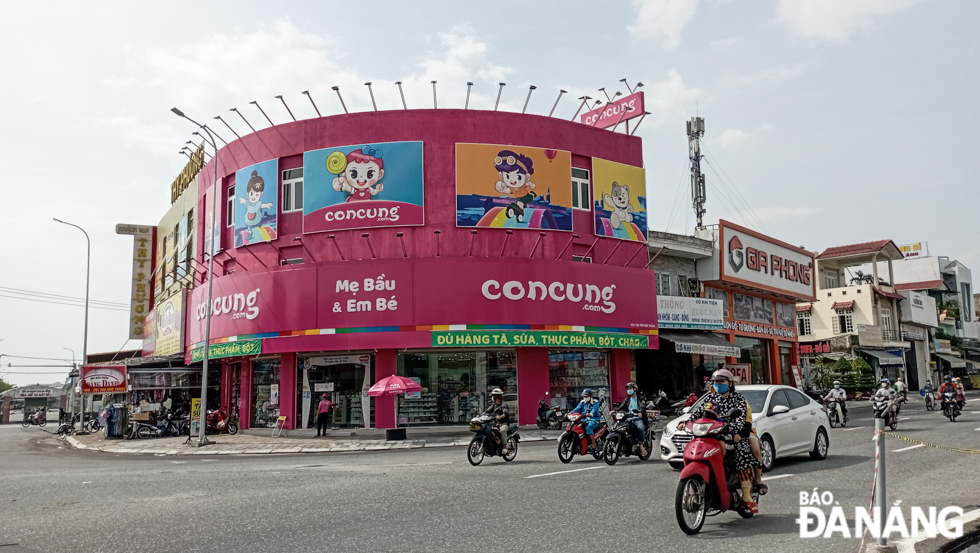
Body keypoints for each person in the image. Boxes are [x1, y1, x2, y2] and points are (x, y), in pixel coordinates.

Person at [679, 369, 758, 514]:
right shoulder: (711, 398)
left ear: (730, 383)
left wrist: (731, 428)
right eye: (715, 382)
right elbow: (698, 413)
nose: (718, 384)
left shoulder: (737, 398)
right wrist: (686, 422)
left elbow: (741, 418)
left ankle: (746, 494)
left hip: (730, 434)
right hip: (711, 433)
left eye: (722, 381)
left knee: (742, 452)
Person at [614, 382, 648, 457]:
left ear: (635, 389)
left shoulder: (640, 398)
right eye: (628, 389)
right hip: (628, 418)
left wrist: (640, 413)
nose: (629, 390)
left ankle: (641, 445)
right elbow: (622, 407)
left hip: (637, 418)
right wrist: (615, 410)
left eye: (630, 388)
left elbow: (642, 406)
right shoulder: (627, 398)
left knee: (640, 428)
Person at [569, 388, 603, 454]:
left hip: (594, 419)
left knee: (588, 428)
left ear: (590, 396)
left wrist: (591, 414)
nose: (585, 398)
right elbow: (577, 409)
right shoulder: (582, 402)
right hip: (584, 419)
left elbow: (594, 409)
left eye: (586, 396)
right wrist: (569, 413)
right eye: (584, 396)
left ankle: (593, 446)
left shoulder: (596, 402)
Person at [482, 388, 510, 454]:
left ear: (497, 396)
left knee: (502, 431)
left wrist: (500, 416)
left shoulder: (503, 404)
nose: (492, 397)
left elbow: (505, 413)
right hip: (495, 423)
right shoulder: (494, 405)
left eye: (494, 396)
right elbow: (487, 411)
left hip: (503, 423)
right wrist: (481, 415)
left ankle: (504, 447)